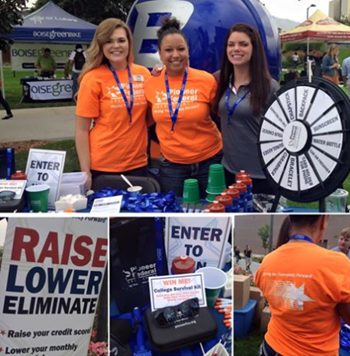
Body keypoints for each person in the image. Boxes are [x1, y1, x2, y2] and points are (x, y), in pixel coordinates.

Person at [144, 17, 222, 198]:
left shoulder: (206, 80)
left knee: (213, 210)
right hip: (172, 165)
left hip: (209, 160)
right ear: (160, 54)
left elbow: (221, 115)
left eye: (181, 49)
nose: (175, 55)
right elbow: (147, 120)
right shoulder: (151, 83)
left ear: (188, 50)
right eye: (168, 50)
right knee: (176, 211)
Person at [255, 215, 350, 356]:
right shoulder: (337, 264)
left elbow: (277, 302)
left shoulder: (267, 262)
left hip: (271, 347)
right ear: (323, 221)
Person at [75, 18, 151, 190]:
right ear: (101, 45)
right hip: (103, 165)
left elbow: (150, 116)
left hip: (138, 163)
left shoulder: (143, 74)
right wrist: (85, 172)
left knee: (138, 214)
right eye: (109, 41)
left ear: (129, 43)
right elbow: (81, 130)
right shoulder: (92, 79)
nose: (116, 46)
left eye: (121, 40)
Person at [213, 23, 279, 194]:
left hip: (261, 175)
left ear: (254, 48)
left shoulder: (269, 87)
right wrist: (159, 71)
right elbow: (189, 77)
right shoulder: (219, 80)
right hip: (229, 171)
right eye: (231, 44)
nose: (236, 49)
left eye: (243, 44)